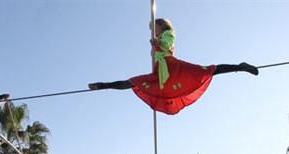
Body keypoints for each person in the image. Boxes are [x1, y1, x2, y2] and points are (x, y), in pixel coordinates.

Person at [89, 18, 258, 115]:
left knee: (208, 70)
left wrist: (158, 41)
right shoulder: (158, 37)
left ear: (161, 26)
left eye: (154, 27)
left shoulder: (167, 34)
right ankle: (104, 85)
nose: (152, 30)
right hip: (159, 74)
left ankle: (240, 66)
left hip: (173, 68)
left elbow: (167, 43)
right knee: (133, 82)